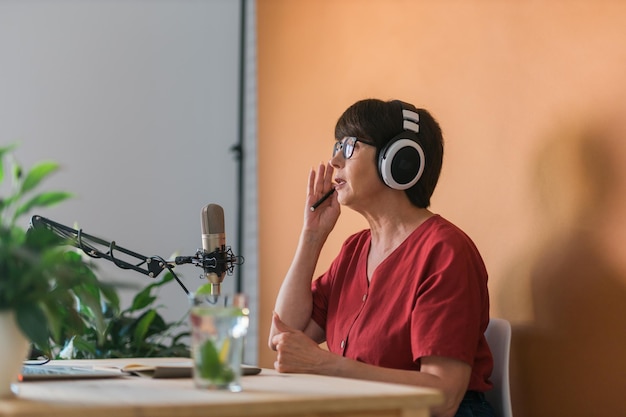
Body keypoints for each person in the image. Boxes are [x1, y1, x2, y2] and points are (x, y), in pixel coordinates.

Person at [268, 98, 494, 417]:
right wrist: (312, 236)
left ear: (399, 160)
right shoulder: (354, 250)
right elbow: (283, 338)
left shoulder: (444, 251)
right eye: (336, 146)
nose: (334, 160)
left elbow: (444, 396)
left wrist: (328, 365)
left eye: (349, 147)